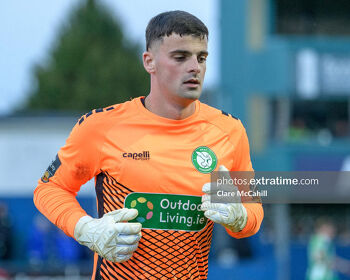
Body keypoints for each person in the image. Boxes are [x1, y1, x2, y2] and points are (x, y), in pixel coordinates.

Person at [34, 10, 263, 279]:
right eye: (180, 57)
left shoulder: (229, 131)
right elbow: (50, 188)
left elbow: (253, 210)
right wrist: (86, 229)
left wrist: (239, 217)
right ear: (149, 62)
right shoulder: (101, 127)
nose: (194, 67)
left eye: (201, 58)